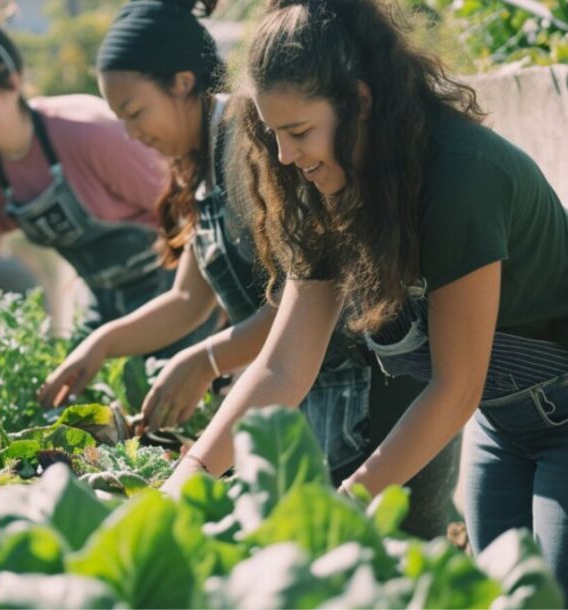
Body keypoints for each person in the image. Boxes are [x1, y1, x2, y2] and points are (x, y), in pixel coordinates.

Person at [160, 0, 568, 592]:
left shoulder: (464, 177)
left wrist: (344, 506)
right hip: (502, 428)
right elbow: (280, 367)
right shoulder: (330, 188)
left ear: (361, 102)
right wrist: (188, 481)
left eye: (299, 132)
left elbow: (455, 388)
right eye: (274, 135)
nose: (285, 157)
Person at [38, 0, 460, 539]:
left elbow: (297, 311)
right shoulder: (198, 168)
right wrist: (102, 342)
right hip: (298, 398)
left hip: (363, 399)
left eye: (135, 112)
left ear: (183, 83)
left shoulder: (249, 149)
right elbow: (189, 302)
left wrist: (209, 358)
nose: (129, 133)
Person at [0, 1, 214, 354]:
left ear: (13, 83)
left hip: (172, 289)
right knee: (80, 395)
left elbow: (189, 214)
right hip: (102, 296)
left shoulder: (86, 132)